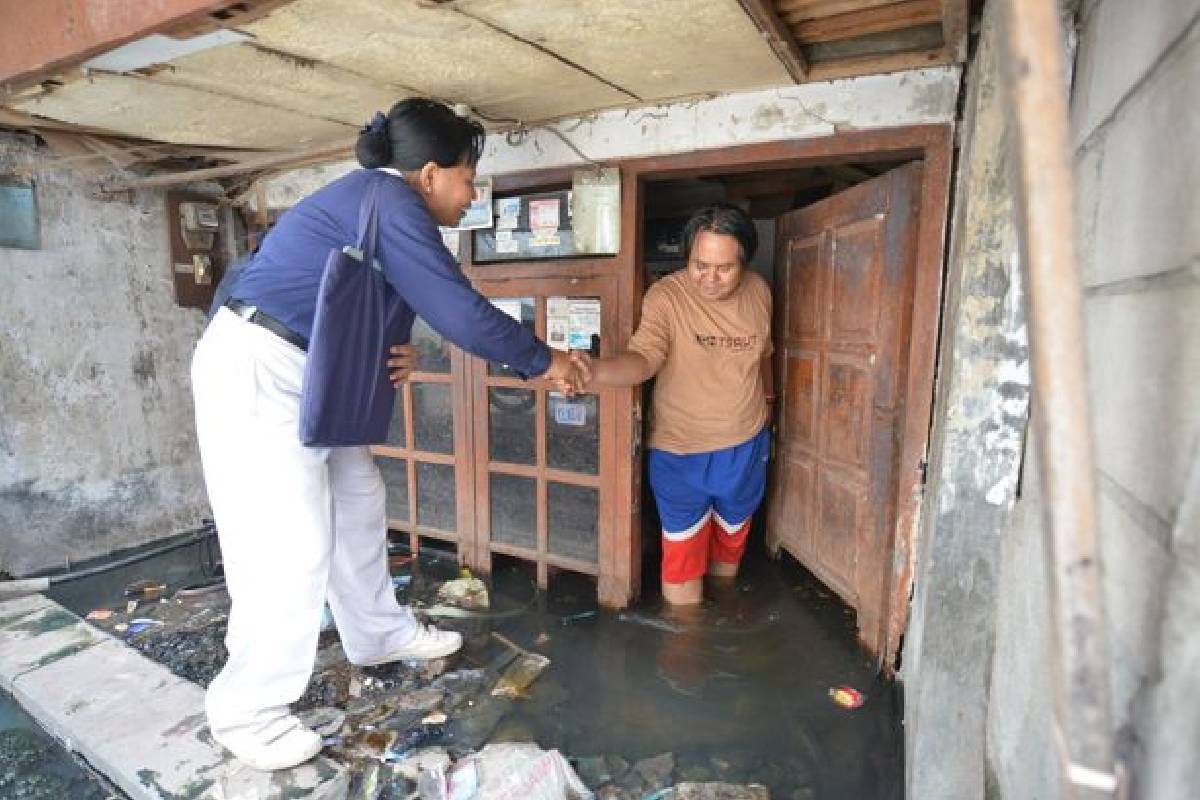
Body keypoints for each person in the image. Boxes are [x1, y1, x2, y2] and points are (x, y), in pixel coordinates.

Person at [190, 98, 582, 771]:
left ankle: (376, 632)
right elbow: (459, 310)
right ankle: (247, 709)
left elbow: (379, 296)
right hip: (258, 365)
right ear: (429, 174)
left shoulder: (390, 210)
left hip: (314, 370)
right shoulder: (390, 200)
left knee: (359, 498)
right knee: (291, 540)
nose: (470, 194)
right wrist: (548, 361)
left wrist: (393, 346)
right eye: (467, 178)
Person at [573, 204, 773, 605]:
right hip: (680, 453)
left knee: (730, 550)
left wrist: (771, 406)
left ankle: (724, 626)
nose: (710, 279)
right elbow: (643, 358)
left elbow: (764, 355)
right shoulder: (666, 298)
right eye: (700, 265)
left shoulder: (759, 291)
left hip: (747, 443)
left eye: (724, 268)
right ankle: (686, 655)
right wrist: (593, 371)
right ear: (687, 257)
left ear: (744, 262)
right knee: (683, 567)